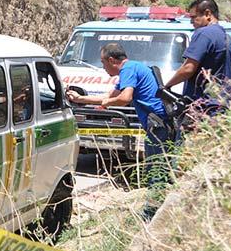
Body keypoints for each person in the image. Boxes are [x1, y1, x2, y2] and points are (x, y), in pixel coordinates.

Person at [66, 43, 174, 221]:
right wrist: (81, 99)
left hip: (158, 126)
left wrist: (107, 104)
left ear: (111, 60)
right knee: (159, 167)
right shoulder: (134, 68)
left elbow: (124, 99)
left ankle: (152, 216)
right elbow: (110, 97)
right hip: (159, 125)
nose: (103, 67)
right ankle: (159, 211)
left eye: (103, 62)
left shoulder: (128, 70)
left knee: (156, 170)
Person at [165, 0, 231, 120]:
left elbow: (188, 68)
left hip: (202, 107)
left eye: (193, 17)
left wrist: (166, 87)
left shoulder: (204, 34)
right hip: (222, 105)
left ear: (208, 14)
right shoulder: (227, 38)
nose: (191, 22)